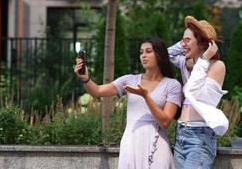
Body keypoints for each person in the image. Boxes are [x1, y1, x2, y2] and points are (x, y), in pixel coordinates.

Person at [74, 36, 182, 168]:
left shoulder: (172, 85)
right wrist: (86, 79)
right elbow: (97, 91)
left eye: (148, 51)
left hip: (156, 145)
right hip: (131, 143)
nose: (144, 55)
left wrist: (146, 96)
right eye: (141, 52)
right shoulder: (129, 80)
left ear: (160, 55)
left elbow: (165, 122)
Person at [168, 16, 229, 168]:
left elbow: (193, 91)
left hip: (200, 137)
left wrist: (205, 57)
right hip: (181, 133)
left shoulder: (217, 66)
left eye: (187, 40)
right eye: (182, 40)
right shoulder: (185, 63)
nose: (183, 44)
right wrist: (185, 44)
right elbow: (165, 54)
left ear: (202, 42)